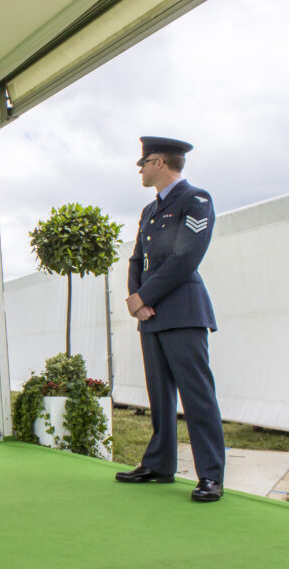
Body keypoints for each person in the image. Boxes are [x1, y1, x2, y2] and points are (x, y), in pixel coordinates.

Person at [116, 136, 225, 502]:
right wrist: (136, 300)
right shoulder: (149, 210)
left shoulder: (196, 200)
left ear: (160, 163)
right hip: (151, 314)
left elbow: (186, 257)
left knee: (197, 395)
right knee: (159, 393)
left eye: (143, 162)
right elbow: (136, 259)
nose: (140, 169)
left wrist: (144, 297)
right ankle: (160, 465)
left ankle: (210, 475)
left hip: (182, 311)